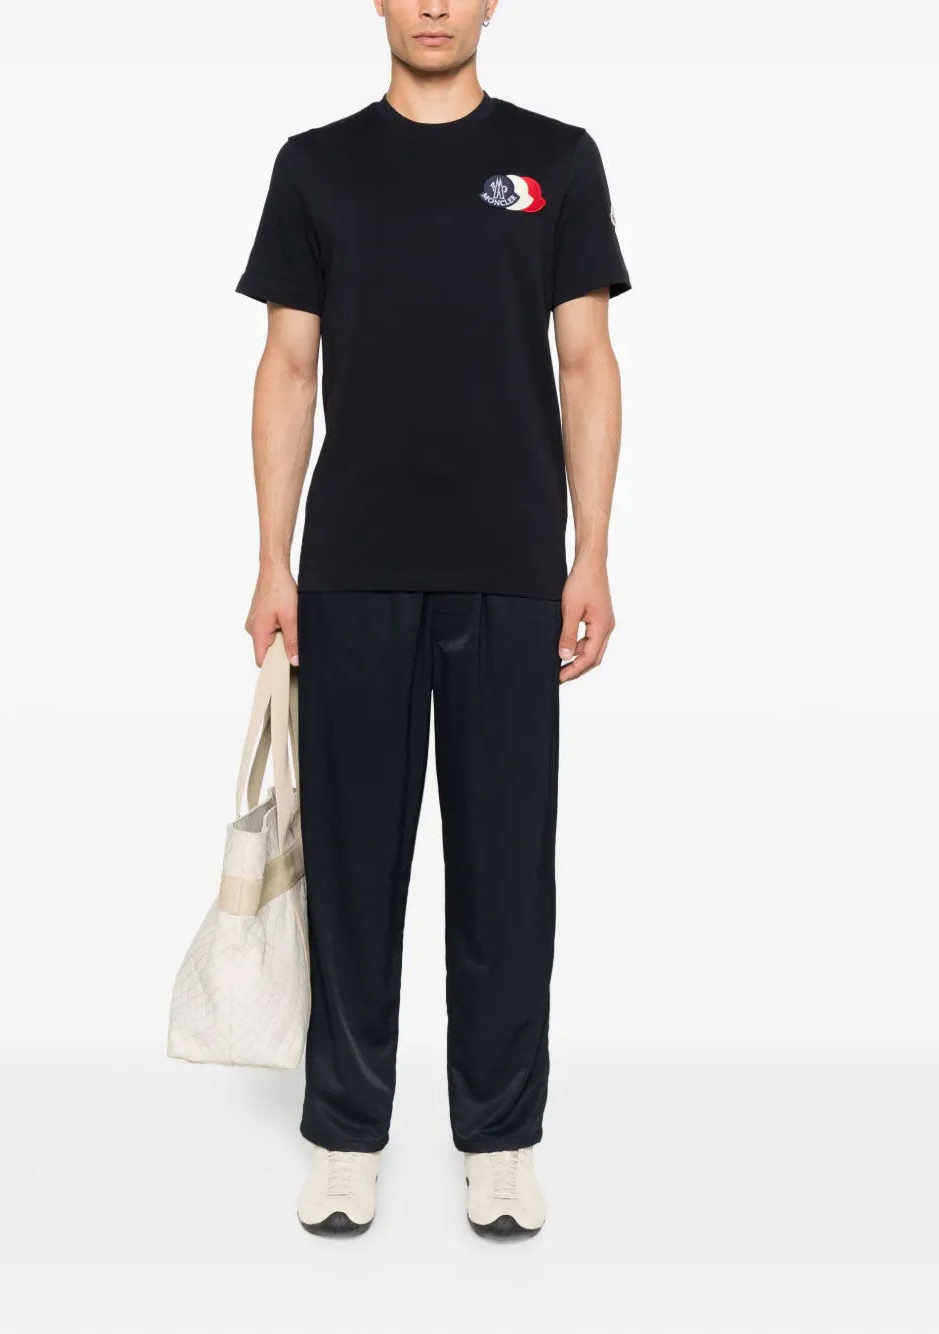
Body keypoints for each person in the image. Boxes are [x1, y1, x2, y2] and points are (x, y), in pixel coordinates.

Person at [236, 0, 629, 1240]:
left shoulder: (555, 158)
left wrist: (591, 554)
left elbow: (586, 362)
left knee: (506, 874)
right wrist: (272, 559)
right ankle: (345, 1136)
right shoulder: (317, 166)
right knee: (353, 870)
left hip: (513, 569)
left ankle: (500, 1142)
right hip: (351, 569)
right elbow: (287, 366)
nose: (434, 5)